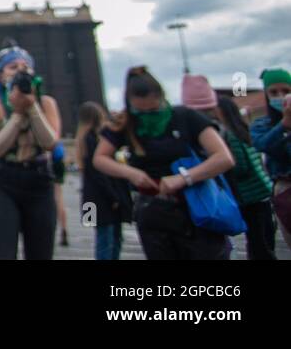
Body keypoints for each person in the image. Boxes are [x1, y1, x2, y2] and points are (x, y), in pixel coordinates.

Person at [93, 66, 235, 260]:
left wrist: (183, 178)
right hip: (153, 210)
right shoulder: (125, 123)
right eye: (139, 111)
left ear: (161, 97)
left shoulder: (185, 117)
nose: (147, 115)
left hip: (195, 204)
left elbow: (223, 158)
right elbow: (100, 158)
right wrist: (131, 173)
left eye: (152, 109)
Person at [182, 76, 277, 260]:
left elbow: (239, 167)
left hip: (250, 197)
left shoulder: (229, 137)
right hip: (260, 194)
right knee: (263, 242)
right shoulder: (242, 132)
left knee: (259, 245)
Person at [0, 44, 62, 260]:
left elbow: (50, 143)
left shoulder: (46, 103)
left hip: (39, 179)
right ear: (1, 76)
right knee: (2, 251)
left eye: (25, 66)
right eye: (12, 66)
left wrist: (32, 107)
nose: (20, 70)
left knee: (41, 252)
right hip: (4, 179)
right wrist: (17, 115)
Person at [74, 101, 131, 260]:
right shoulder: (94, 139)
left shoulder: (82, 139)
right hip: (104, 199)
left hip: (90, 199)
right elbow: (100, 174)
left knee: (102, 236)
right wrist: (114, 196)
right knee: (110, 239)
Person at [251, 67, 291, 248]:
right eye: (273, 92)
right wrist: (284, 125)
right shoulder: (262, 124)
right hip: (285, 187)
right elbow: (263, 144)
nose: (280, 96)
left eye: (286, 91)